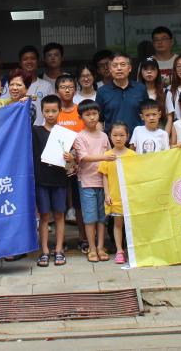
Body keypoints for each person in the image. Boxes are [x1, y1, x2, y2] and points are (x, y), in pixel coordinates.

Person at [67, 98, 111, 263]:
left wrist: (107, 158)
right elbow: (83, 157)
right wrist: (105, 157)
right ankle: (92, 248)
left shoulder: (104, 136)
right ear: (81, 117)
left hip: (103, 181)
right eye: (88, 114)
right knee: (90, 217)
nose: (92, 117)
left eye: (94, 114)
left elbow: (108, 156)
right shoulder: (79, 136)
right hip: (86, 182)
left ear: (99, 114)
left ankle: (100, 247)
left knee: (102, 217)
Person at [33, 94, 68, 267]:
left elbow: (73, 158)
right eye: (47, 111)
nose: (51, 114)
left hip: (60, 179)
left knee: (60, 214)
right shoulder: (35, 131)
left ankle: (59, 249)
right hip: (41, 180)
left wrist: (71, 158)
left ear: (60, 111)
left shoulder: (65, 134)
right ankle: (45, 250)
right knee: (44, 216)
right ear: (42, 112)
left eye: (54, 111)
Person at [99, 122, 135, 264]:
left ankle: (133, 250)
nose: (118, 138)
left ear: (127, 136)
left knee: (132, 224)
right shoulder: (107, 155)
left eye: (122, 135)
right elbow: (104, 176)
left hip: (130, 196)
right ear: (110, 136)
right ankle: (120, 250)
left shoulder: (133, 155)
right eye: (115, 135)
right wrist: (107, 194)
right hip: (115, 196)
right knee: (118, 224)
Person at [96, 53, 147, 136]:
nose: (119, 68)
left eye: (123, 64)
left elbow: (147, 115)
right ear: (110, 69)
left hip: (137, 139)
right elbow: (99, 121)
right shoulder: (102, 91)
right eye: (115, 65)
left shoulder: (140, 89)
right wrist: (103, 140)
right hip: (112, 141)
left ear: (130, 68)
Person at [18, 46, 54, 125]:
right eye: (25, 59)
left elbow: (53, 108)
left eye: (32, 58)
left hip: (41, 129)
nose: (29, 61)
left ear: (38, 62)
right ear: (20, 63)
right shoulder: (12, 85)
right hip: (19, 129)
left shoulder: (46, 86)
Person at [137, 57, 168, 126]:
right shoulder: (135, 91)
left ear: (158, 72)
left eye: (152, 69)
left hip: (161, 129)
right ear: (141, 72)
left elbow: (170, 117)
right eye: (145, 69)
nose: (149, 71)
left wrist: (166, 132)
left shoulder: (165, 92)